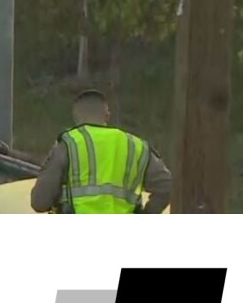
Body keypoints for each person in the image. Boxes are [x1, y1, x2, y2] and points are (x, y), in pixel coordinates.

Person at [31, 89, 172, 214]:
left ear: (75, 117)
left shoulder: (68, 144)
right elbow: (166, 186)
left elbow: (40, 202)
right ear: (107, 116)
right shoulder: (135, 145)